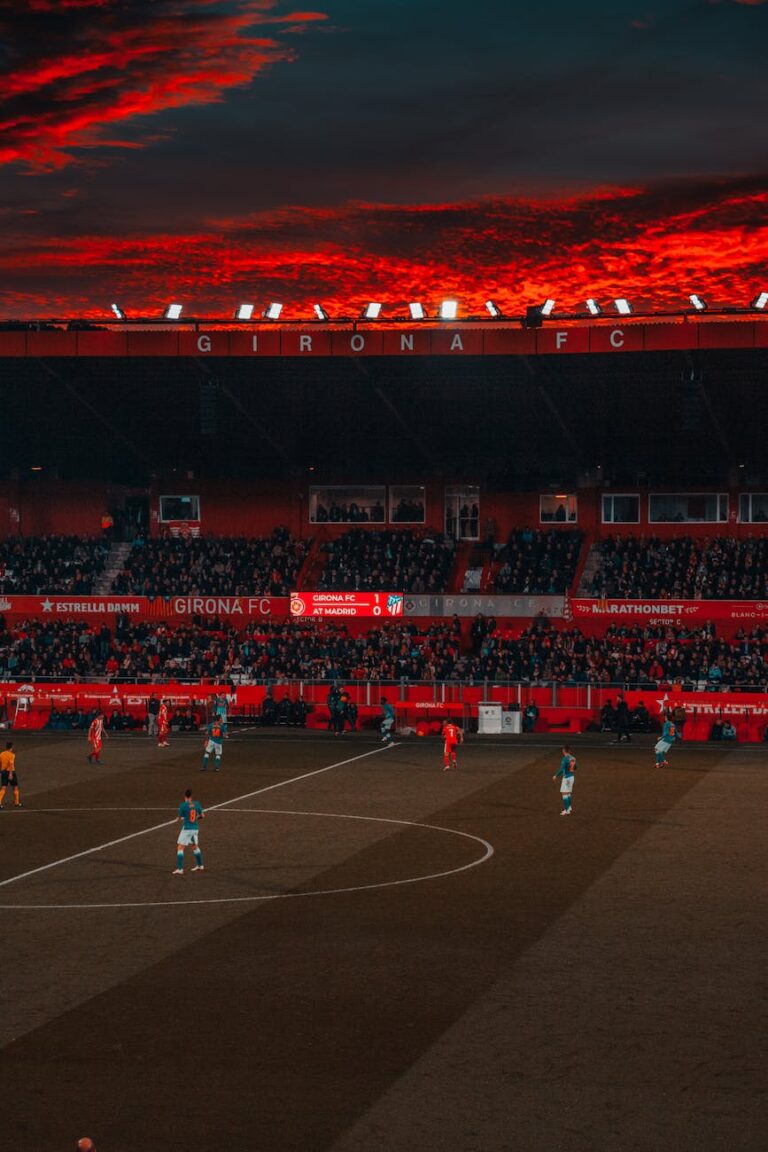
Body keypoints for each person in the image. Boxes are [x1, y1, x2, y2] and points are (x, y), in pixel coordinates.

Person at [173, 788, 204, 874]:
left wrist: (177, 819)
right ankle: (200, 866)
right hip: (195, 829)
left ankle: (180, 869)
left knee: (180, 847)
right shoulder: (197, 804)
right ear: (191, 796)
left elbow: (179, 818)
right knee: (194, 846)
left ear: (185, 796)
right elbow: (202, 816)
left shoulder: (183, 805)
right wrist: (194, 819)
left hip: (187, 829)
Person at [553, 745, 577, 815]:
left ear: (564, 751)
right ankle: (569, 807)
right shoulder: (573, 758)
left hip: (566, 778)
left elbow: (561, 769)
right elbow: (576, 767)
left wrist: (556, 776)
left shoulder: (565, 759)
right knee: (568, 793)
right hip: (572, 777)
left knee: (564, 793)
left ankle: (566, 810)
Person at [0, 741, 21, 809]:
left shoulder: (1, 754)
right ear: (11, 747)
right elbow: (11, 764)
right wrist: (11, 774)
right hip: (11, 772)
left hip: (3, 772)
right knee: (15, 787)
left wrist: (1, 771)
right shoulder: (12, 755)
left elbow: (0, 763)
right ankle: (16, 803)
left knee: (3, 788)